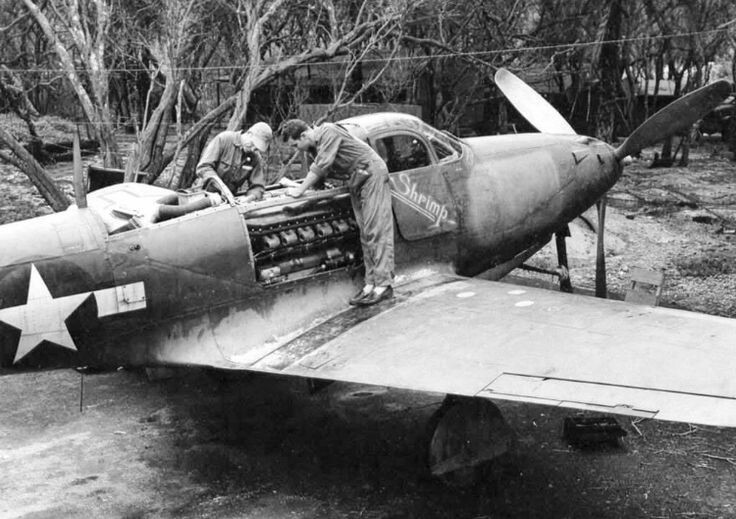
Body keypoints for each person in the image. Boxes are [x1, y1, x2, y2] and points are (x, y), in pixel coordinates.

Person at [278, 119, 395, 306]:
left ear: (304, 135)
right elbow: (318, 180)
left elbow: (322, 166)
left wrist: (299, 190)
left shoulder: (328, 132)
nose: (296, 149)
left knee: (376, 230)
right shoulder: (312, 149)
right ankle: (371, 283)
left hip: (372, 175)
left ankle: (383, 285)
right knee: (365, 233)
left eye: (295, 144)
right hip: (357, 180)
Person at [194, 122, 273, 203]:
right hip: (204, 196)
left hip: (228, 201)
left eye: (256, 149)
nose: (253, 149)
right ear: (249, 134)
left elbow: (258, 187)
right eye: (252, 144)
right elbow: (203, 167)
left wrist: (249, 198)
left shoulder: (255, 157)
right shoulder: (224, 139)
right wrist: (221, 187)